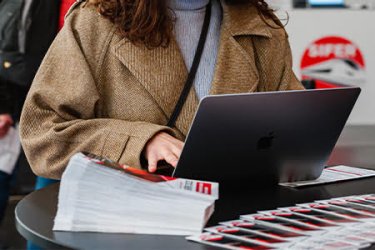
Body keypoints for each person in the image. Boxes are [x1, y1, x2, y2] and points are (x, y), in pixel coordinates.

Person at [20, 0, 304, 179]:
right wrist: (140, 142)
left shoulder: (263, 27)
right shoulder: (96, 21)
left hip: (239, 222)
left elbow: (295, 128)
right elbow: (43, 135)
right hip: (133, 229)